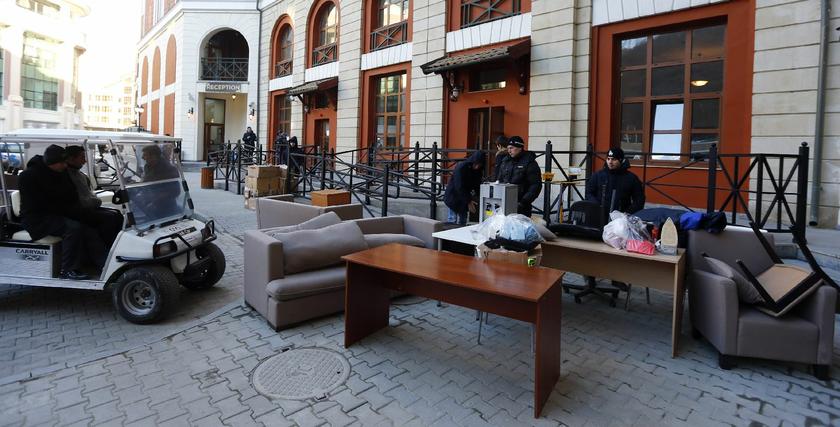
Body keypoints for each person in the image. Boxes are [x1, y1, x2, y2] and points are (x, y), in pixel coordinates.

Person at [18, 145, 106, 279]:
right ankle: (68, 269)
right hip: (37, 218)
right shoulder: (28, 176)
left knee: (89, 226)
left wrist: (79, 212)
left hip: (58, 213)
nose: (66, 166)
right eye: (62, 163)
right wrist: (70, 211)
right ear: (52, 163)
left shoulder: (60, 172)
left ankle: (103, 264)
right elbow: (39, 204)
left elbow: (70, 195)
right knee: (73, 228)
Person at [65, 145, 124, 248]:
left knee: (117, 215)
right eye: (82, 157)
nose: (84, 161)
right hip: (77, 211)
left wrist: (94, 201)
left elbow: (88, 194)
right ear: (71, 159)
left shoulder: (80, 175)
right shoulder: (67, 176)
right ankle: (108, 249)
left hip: (86, 207)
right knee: (109, 218)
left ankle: (116, 246)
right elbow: (81, 199)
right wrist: (96, 201)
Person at [585, 147, 645, 215]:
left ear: (621, 160)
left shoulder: (631, 178)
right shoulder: (597, 175)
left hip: (621, 217)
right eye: (608, 159)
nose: (610, 162)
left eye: (613, 159)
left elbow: (639, 199)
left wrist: (628, 212)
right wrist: (597, 206)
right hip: (599, 215)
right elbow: (589, 193)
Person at [494, 136, 542, 217]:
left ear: (520, 148)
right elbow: (499, 179)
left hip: (522, 206)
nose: (509, 150)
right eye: (508, 148)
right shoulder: (505, 161)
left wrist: (523, 202)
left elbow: (535, 185)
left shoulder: (529, 162)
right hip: (504, 203)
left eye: (511, 148)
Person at [443, 151, 486, 225]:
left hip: (464, 196)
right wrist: (469, 201)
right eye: (476, 164)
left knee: (462, 220)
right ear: (473, 161)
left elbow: (477, 185)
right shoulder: (461, 167)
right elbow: (459, 186)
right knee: (452, 220)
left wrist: (478, 198)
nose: (477, 167)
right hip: (454, 195)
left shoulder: (478, 170)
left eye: (479, 165)